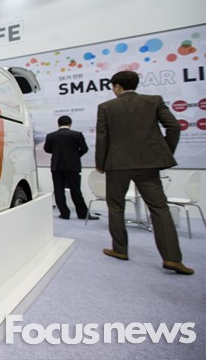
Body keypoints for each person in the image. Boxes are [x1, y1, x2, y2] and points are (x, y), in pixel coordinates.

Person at [95, 70, 193, 275]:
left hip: (117, 165)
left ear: (117, 87)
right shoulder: (154, 101)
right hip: (149, 165)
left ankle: (119, 249)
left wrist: (100, 164)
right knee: (159, 208)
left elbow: (102, 138)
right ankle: (172, 258)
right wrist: (163, 153)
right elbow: (174, 127)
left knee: (116, 207)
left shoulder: (106, 107)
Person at [44, 115, 97, 220]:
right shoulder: (77, 135)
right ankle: (82, 214)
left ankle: (64, 213)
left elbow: (47, 149)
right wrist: (76, 156)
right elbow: (85, 149)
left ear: (58, 124)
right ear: (70, 124)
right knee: (76, 191)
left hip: (56, 166)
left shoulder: (51, 136)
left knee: (59, 191)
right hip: (73, 166)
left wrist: (57, 153)